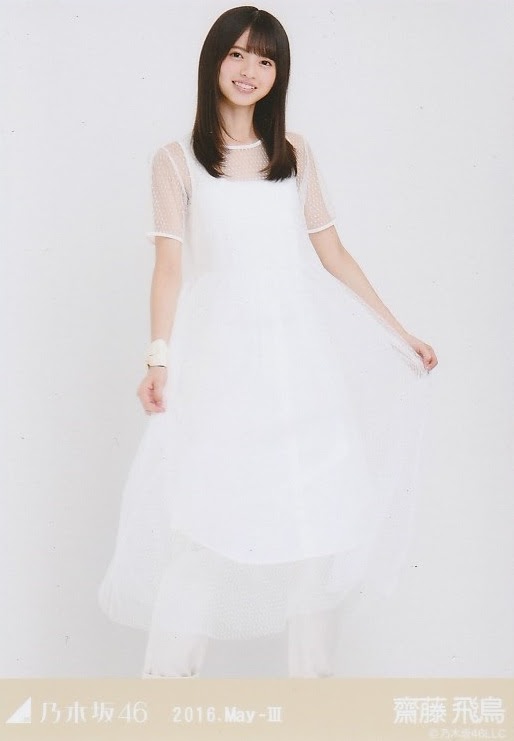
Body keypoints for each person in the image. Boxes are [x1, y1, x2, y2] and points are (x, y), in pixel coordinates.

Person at [98, 5, 438, 679]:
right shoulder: (176, 160)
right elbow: (169, 268)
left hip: (298, 361)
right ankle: (168, 692)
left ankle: (311, 690)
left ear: (278, 74)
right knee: (203, 522)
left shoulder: (295, 154)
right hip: (221, 360)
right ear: (214, 61)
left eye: (266, 59)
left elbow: (332, 252)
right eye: (237, 54)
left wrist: (397, 332)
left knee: (315, 525)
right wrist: (159, 356)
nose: (249, 70)